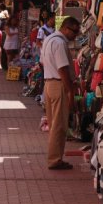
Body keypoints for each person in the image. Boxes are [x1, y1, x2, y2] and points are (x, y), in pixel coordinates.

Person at [41, 17, 81, 170]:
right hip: (58, 85)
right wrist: (70, 91)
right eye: (74, 31)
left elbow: (44, 62)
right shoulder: (59, 43)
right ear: (66, 28)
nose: (75, 35)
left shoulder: (49, 39)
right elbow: (62, 69)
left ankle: (54, 157)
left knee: (54, 124)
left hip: (49, 84)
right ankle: (55, 159)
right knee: (59, 125)